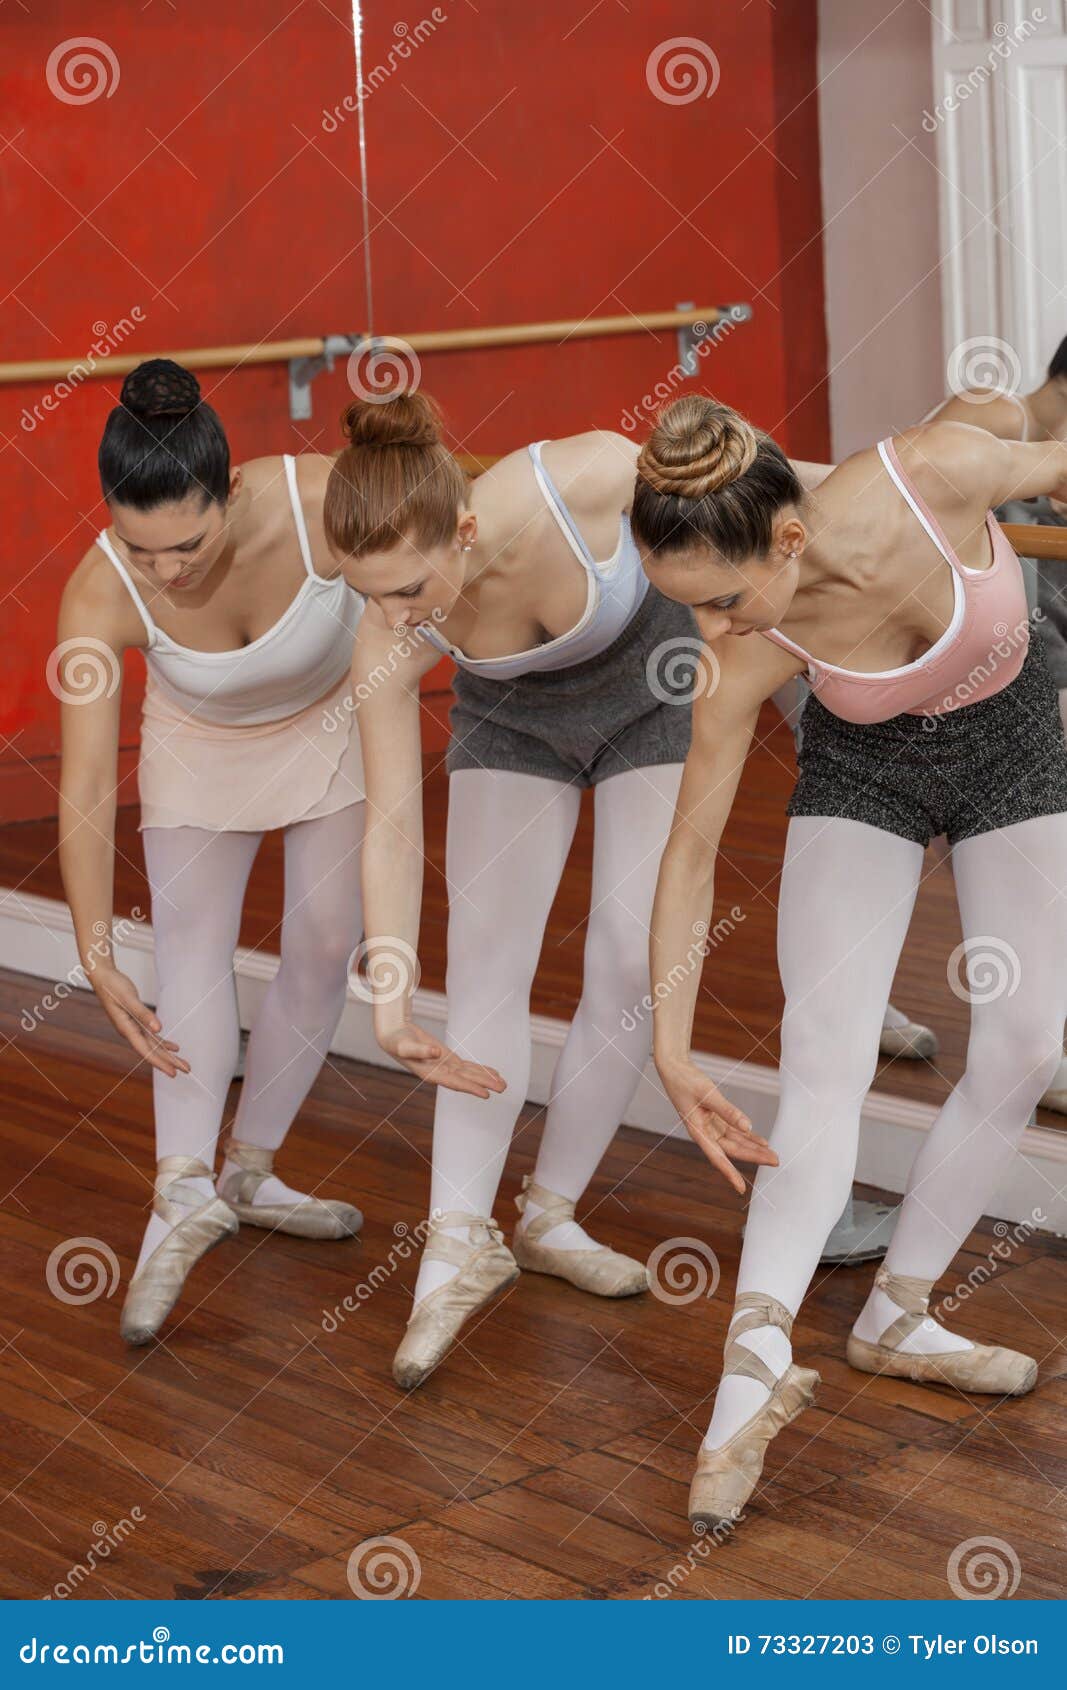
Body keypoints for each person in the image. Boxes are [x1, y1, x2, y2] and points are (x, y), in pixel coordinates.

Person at [633, 394, 1067, 1528]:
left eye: (722, 602)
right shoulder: (734, 655)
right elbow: (687, 850)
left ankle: (898, 1312)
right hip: (860, 762)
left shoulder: (937, 474)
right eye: (689, 609)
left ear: (785, 538)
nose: (712, 636)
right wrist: (671, 1047)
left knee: (1024, 1043)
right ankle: (745, 1383)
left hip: (1008, 737)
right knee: (822, 1058)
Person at [323, 393, 794, 1390]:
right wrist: (392, 997)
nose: (398, 617)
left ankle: (548, 1214)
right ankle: (456, 1242)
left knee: (630, 956)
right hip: (513, 724)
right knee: (488, 964)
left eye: (409, 586)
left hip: (651, 693)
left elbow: (727, 490)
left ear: (460, 527)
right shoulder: (386, 630)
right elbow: (392, 825)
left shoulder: (577, 475)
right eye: (371, 597)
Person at [58, 359, 366, 1346]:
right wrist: (96, 950)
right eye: (138, 548)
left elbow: (434, 539)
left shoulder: (318, 499)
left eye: (186, 542)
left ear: (230, 492)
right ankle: (178, 1196)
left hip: (330, 722)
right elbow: (86, 784)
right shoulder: (98, 592)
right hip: (198, 742)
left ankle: (252, 1168)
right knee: (189, 948)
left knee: (324, 942)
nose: (165, 571)